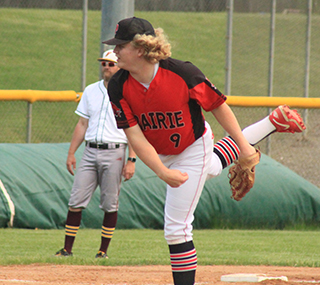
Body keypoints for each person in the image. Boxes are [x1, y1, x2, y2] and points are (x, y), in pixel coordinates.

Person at [103, 17, 305, 284]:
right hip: (161, 152)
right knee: (210, 168)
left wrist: (245, 149)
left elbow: (219, 107)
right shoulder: (118, 86)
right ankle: (272, 121)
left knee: (177, 228)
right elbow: (135, 136)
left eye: (121, 45)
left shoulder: (182, 73)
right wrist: (163, 171)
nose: (114, 51)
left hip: (192, 146)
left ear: (140, 48)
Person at [55, 50, 136, 258]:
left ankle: (102, 251)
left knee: (110, 203)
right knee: (75, 200)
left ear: (120, 66)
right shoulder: (91, 90)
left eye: (111, 64)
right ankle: (67, 249)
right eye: (104, 64)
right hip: (90, 151)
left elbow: (134, 130)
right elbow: (82, 123)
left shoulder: (129, 92)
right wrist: (72, 152)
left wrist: (132, 160)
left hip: (115, 152)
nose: (106, 68)